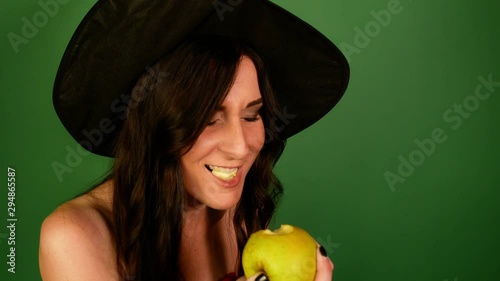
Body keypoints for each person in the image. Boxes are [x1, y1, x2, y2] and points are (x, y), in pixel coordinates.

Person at [39, 1, 349, 281]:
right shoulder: (73, 236)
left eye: (252, 116)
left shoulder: (238, 212)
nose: (240, 147)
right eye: (209, 119)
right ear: (158, 123)